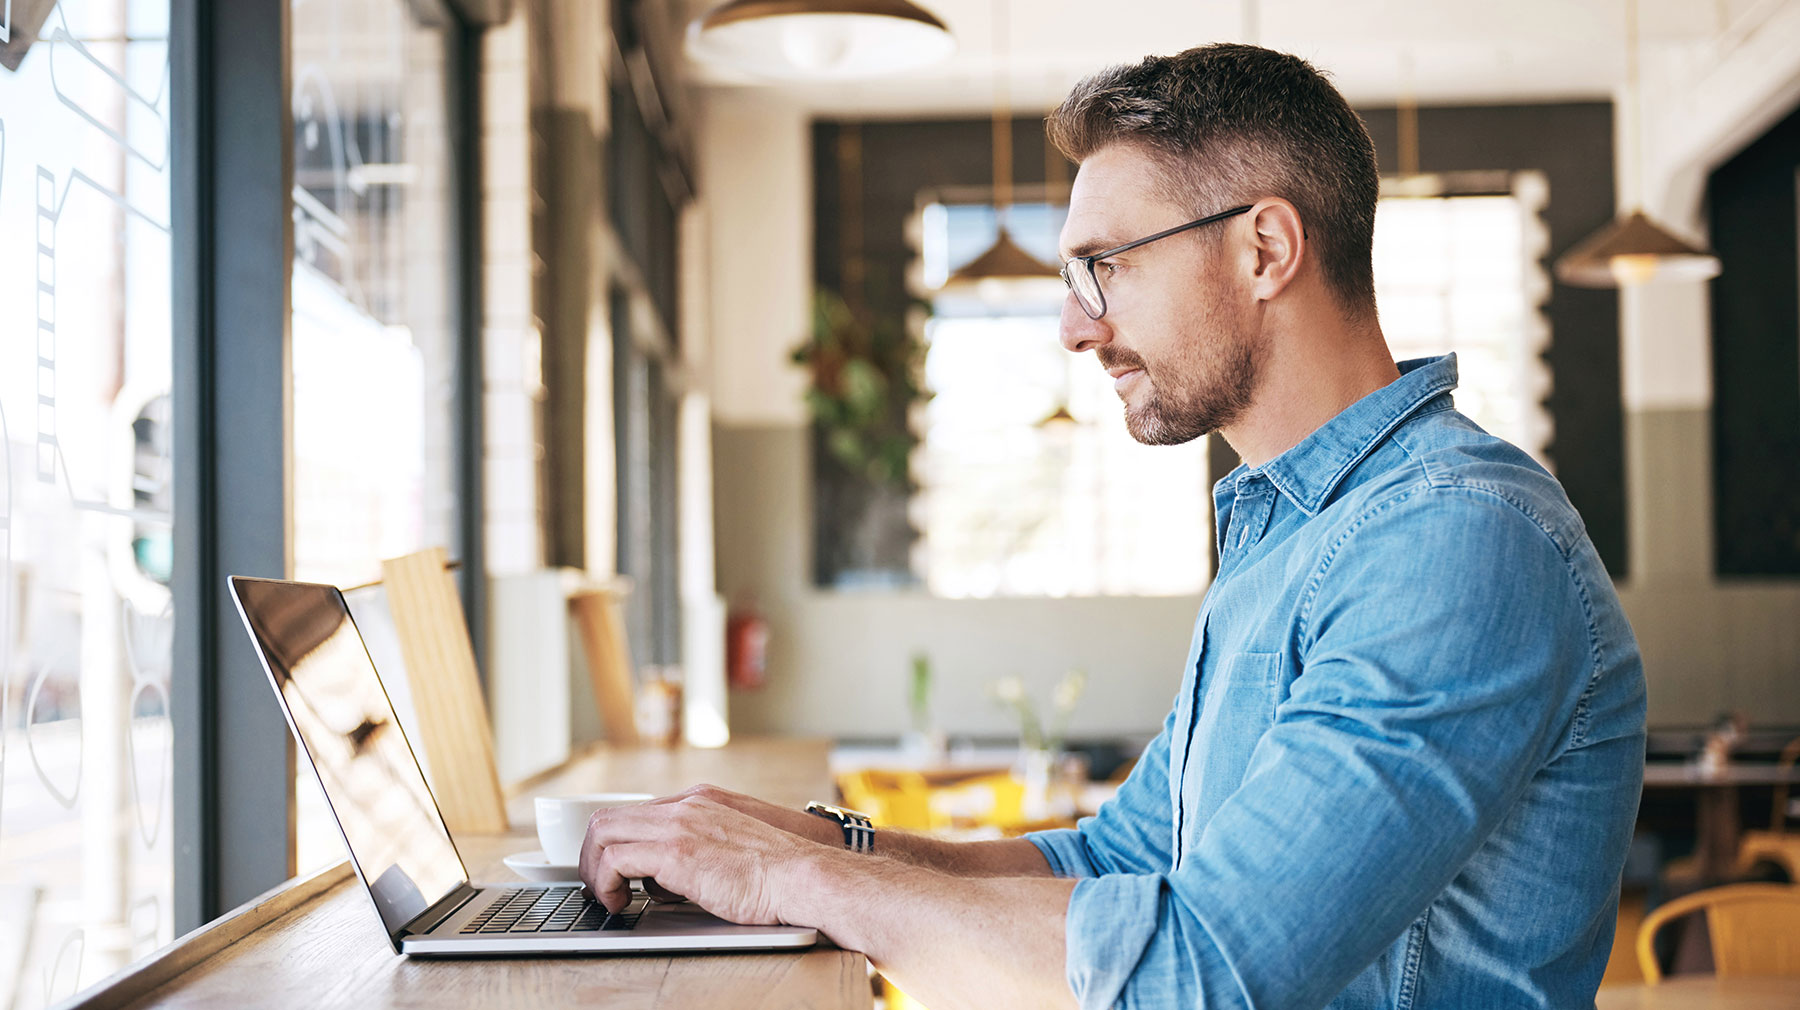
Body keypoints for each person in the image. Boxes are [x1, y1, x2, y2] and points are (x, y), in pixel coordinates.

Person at [578, 44, 1646, 1010]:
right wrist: (826, 840)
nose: (1076, 326)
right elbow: (1119, 859)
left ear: (1265, 248)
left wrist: (785, 878)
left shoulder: (1453, 540)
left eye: (1107, 264)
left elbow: (1203, 971)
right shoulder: (1289, 531)